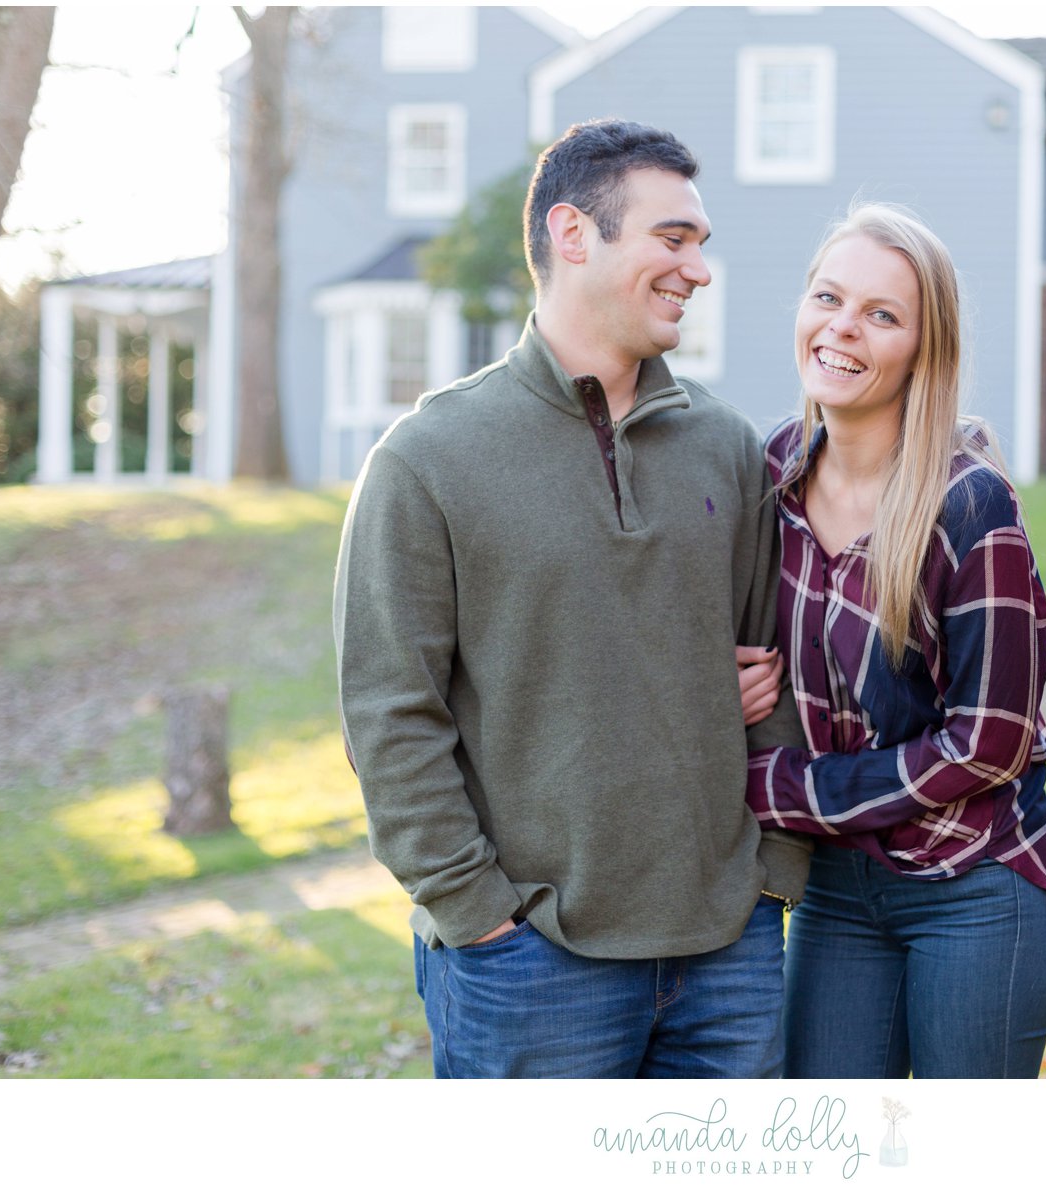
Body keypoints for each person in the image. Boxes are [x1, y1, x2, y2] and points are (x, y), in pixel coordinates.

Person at [333, 119, 810, 1079]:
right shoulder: (428, 459)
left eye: (700, 245)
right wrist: (477, 915)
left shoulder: (725, 446)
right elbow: (390, 713)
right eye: (671, 238)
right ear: (573, 233)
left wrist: (773, 879)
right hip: (531, 965)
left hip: (730, 954)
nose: (697, 269)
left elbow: (775, 671)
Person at [744, 202, 1046, 1079]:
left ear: (921, 351)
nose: (842, 328)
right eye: (828, 297)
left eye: (881, 314)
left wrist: (792, 788)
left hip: (974, 885)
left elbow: (991, 740)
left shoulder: (971, 506)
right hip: (840, 894)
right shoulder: (769, 477)